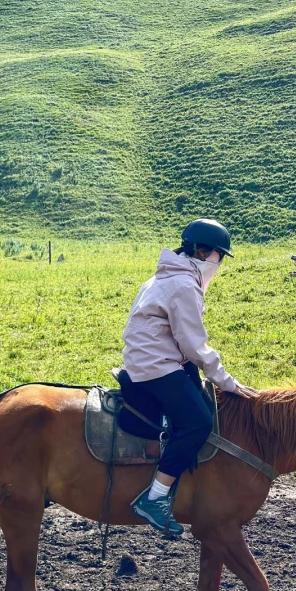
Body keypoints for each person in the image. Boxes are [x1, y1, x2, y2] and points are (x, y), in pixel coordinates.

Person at [120, 218, 258, 536]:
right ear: (201, 251)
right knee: (198, 421)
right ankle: (153, 499)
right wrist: (227, 381)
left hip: (156, 358)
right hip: (157, 364)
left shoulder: (168, 276)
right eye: (218, 257)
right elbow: (194, 345)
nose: (219, 263)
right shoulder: (183, 285)